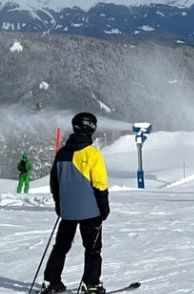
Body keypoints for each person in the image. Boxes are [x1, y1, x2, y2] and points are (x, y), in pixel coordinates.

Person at [43, 112, 109, 294]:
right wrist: (104, 208)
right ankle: (91, 283)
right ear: (91, 128)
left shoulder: (62, 153)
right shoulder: (92, 153)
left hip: (67, 212)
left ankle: (50, 282)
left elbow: (55, 183)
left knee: (60, 247)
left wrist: (60, 205)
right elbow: (100, 184)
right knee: (93, 249)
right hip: (91, 211)